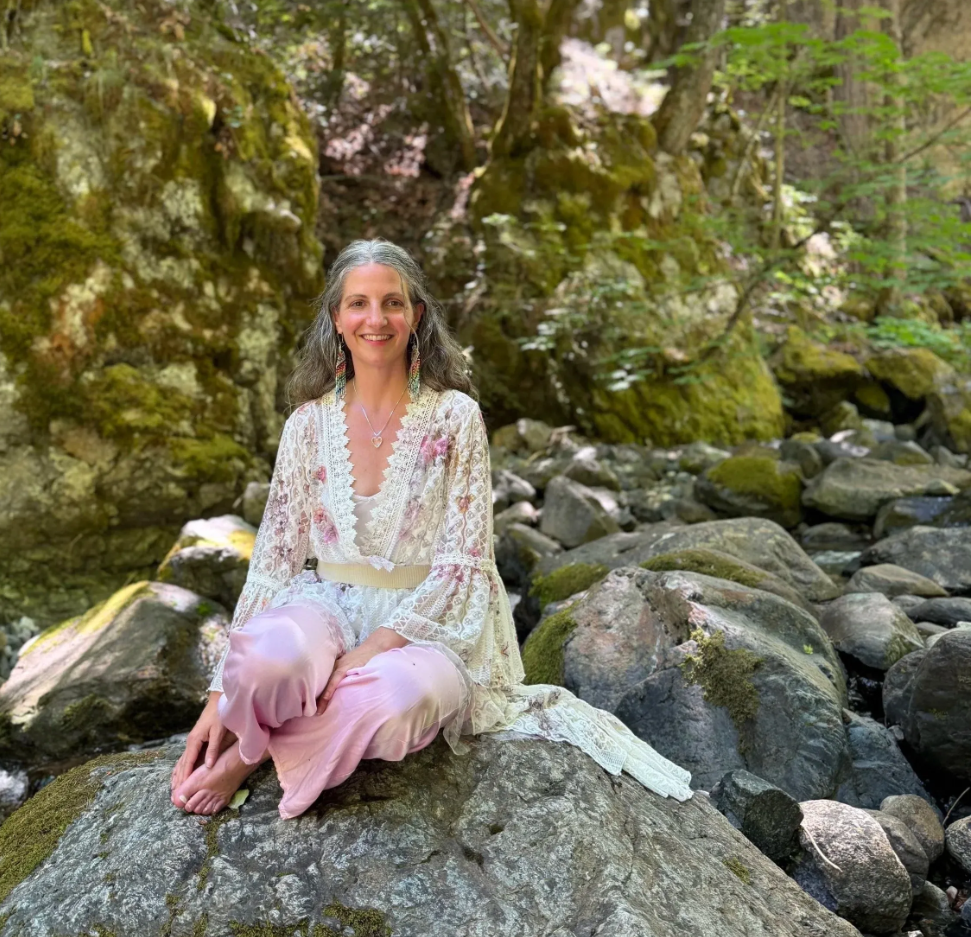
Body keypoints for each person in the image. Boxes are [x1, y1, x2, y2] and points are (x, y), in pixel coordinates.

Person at [170, 239, 693, 817]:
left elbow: (464, 564)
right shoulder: (306, 424)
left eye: (392, 303)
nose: (376, 319)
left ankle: (253, 753)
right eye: (359, 304)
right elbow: (273, 561)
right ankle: (279, 718)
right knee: (268, 660)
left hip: (426, 623)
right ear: (337, 319)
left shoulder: (455, 417)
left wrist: (374, 647)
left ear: (416, 316)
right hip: (322, 603)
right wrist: (220, 695)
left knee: (401, 697)